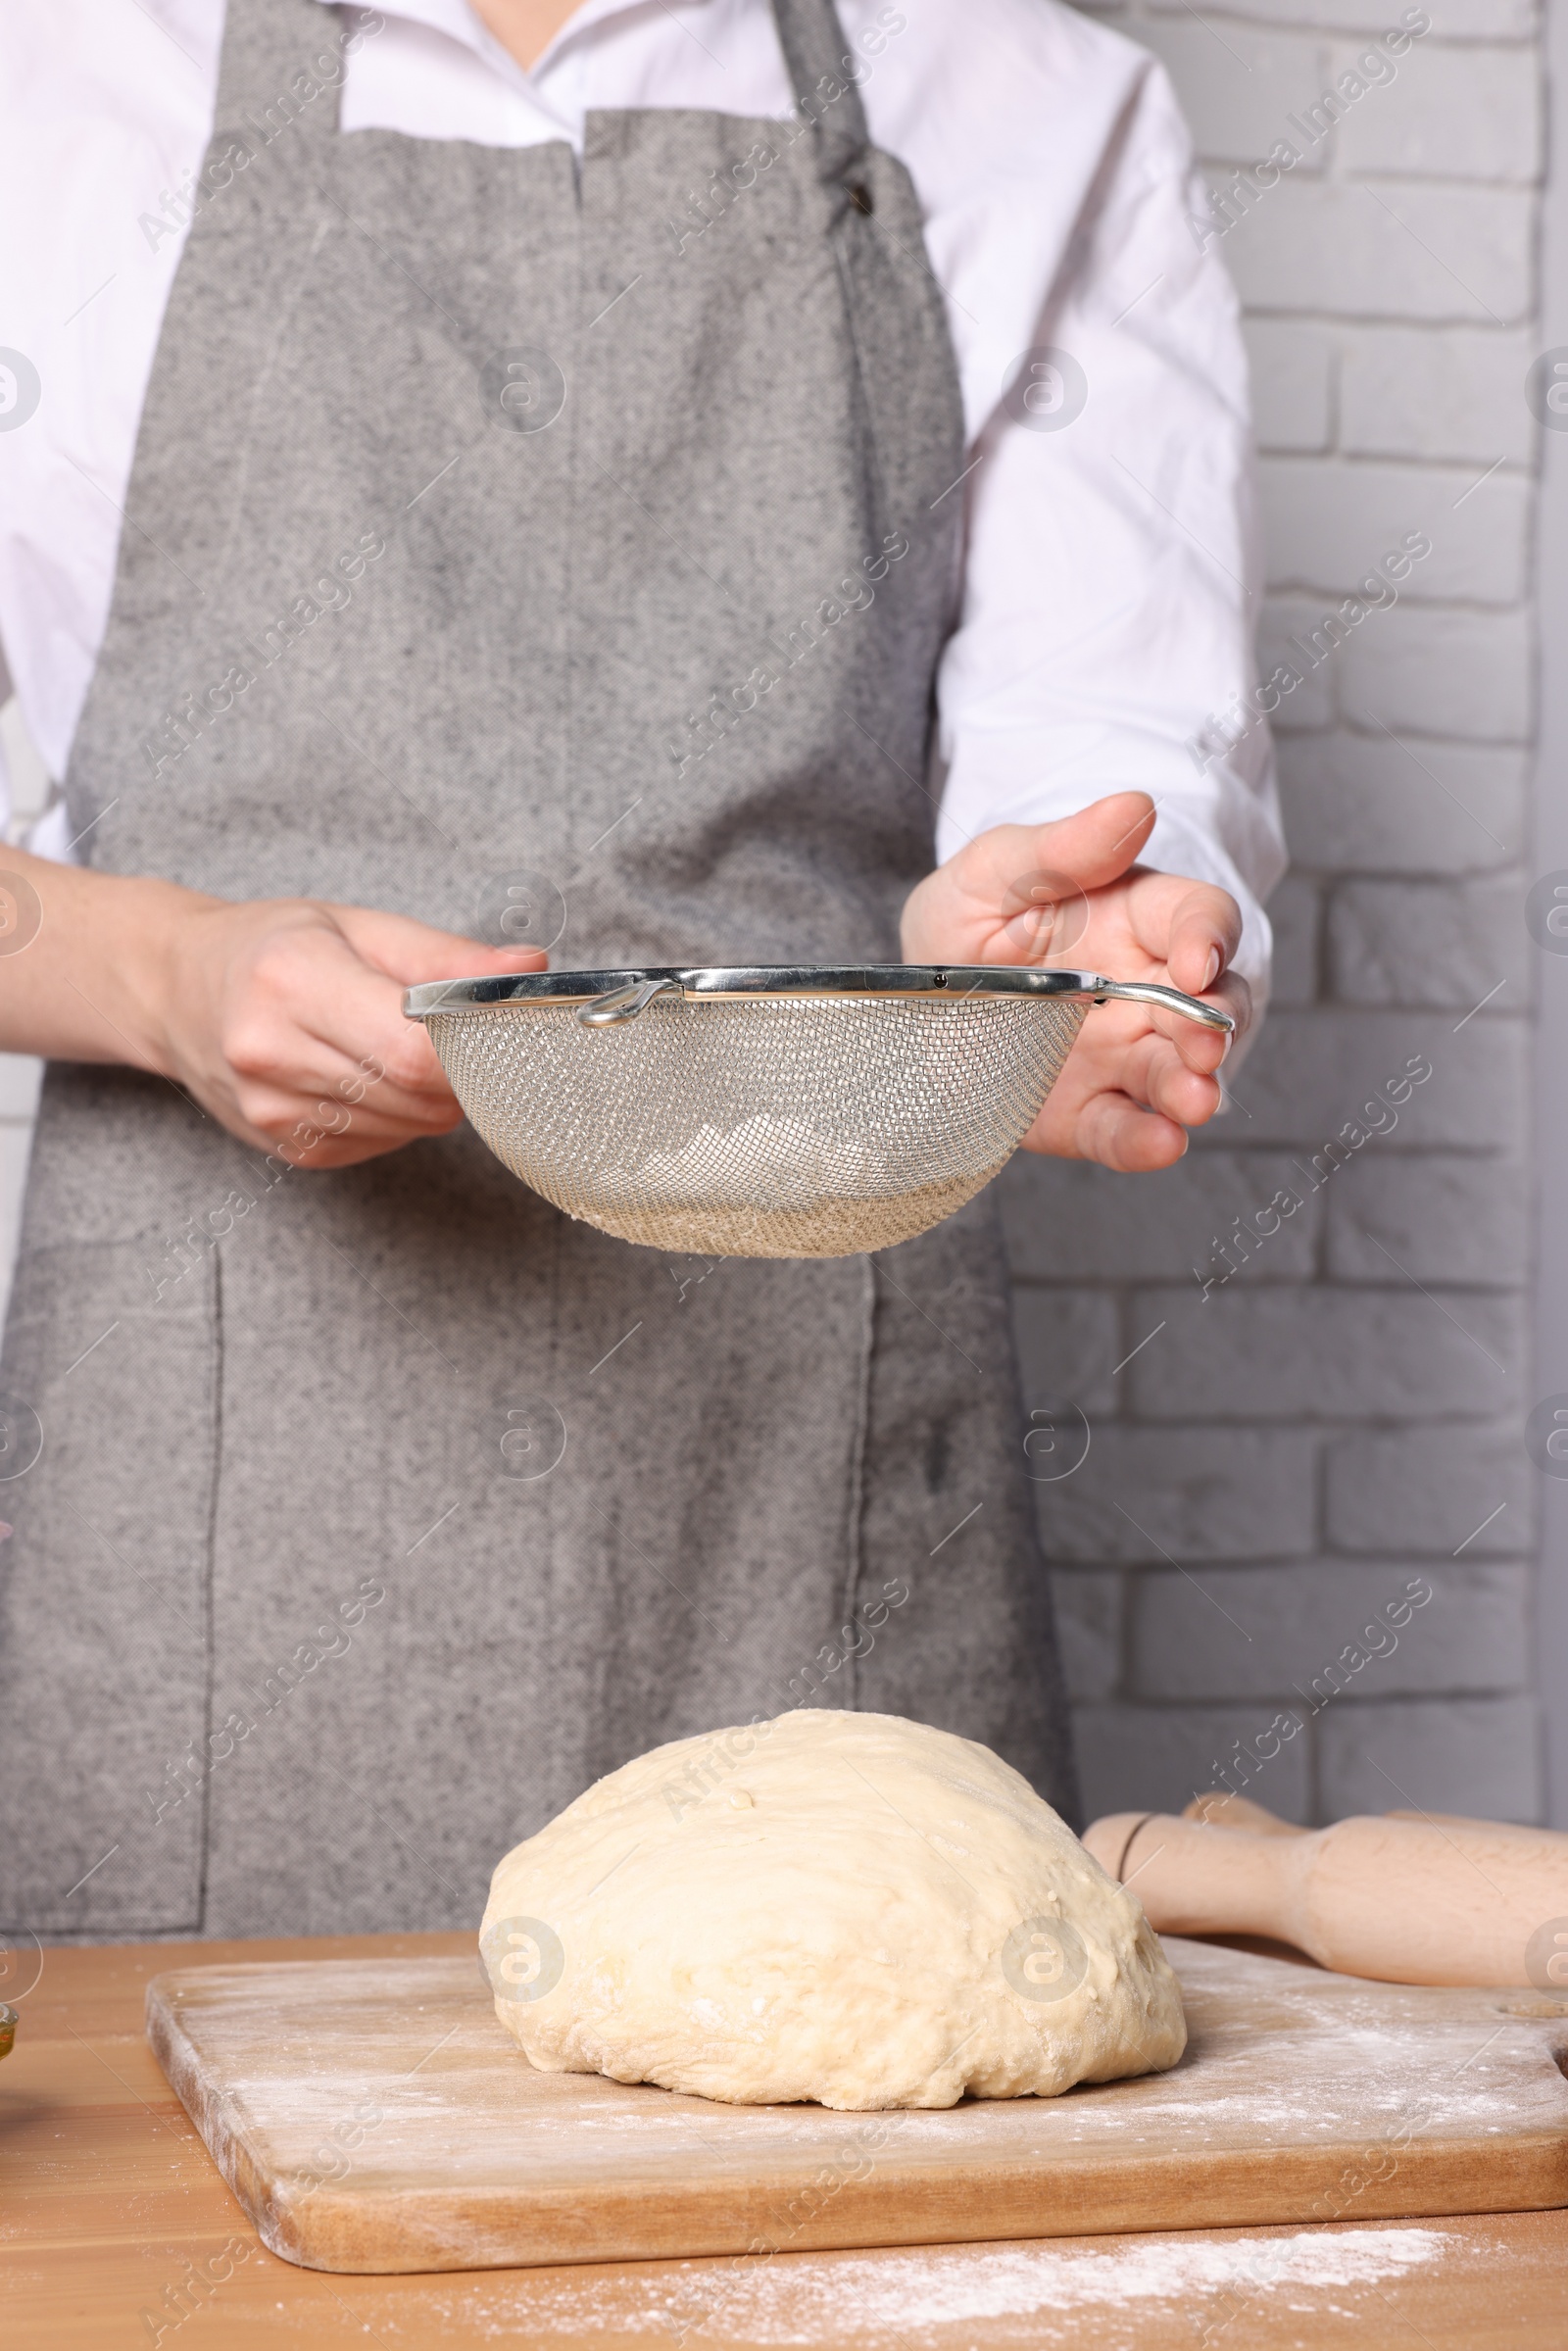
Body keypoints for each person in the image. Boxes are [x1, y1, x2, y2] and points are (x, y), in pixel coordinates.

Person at [0, 0, 1282, 1939]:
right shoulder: (55, 71)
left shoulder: (1026, 98)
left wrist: (1080, 952)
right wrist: (161, 974)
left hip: (812, 1446)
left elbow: (1108, 757)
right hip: (218, 1439)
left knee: (858, 2171)